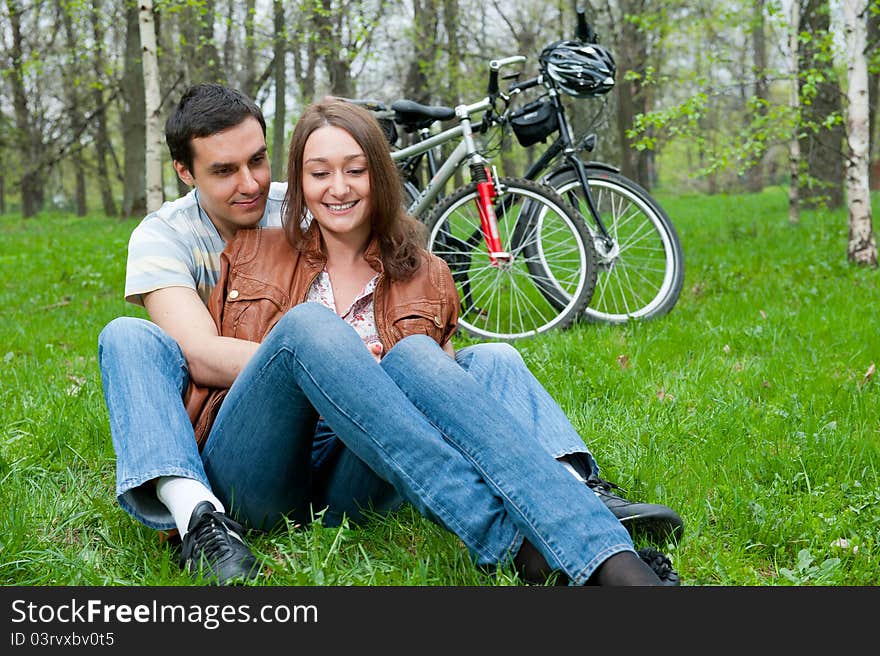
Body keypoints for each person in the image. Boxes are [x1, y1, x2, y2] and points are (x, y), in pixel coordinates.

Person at [98, 84, 682, 586]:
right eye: (224, 170)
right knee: (153, 335)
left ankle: (573, 492)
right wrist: (351, 367)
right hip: (260, 450)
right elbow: (200, 354)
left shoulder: (319, 215)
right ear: (185, 171)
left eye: (259, 161)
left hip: (361, 461)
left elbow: (436, 368)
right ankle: (197, 517)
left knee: (483, 359)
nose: (251, 184)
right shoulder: (212, 242)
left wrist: (397, 367)